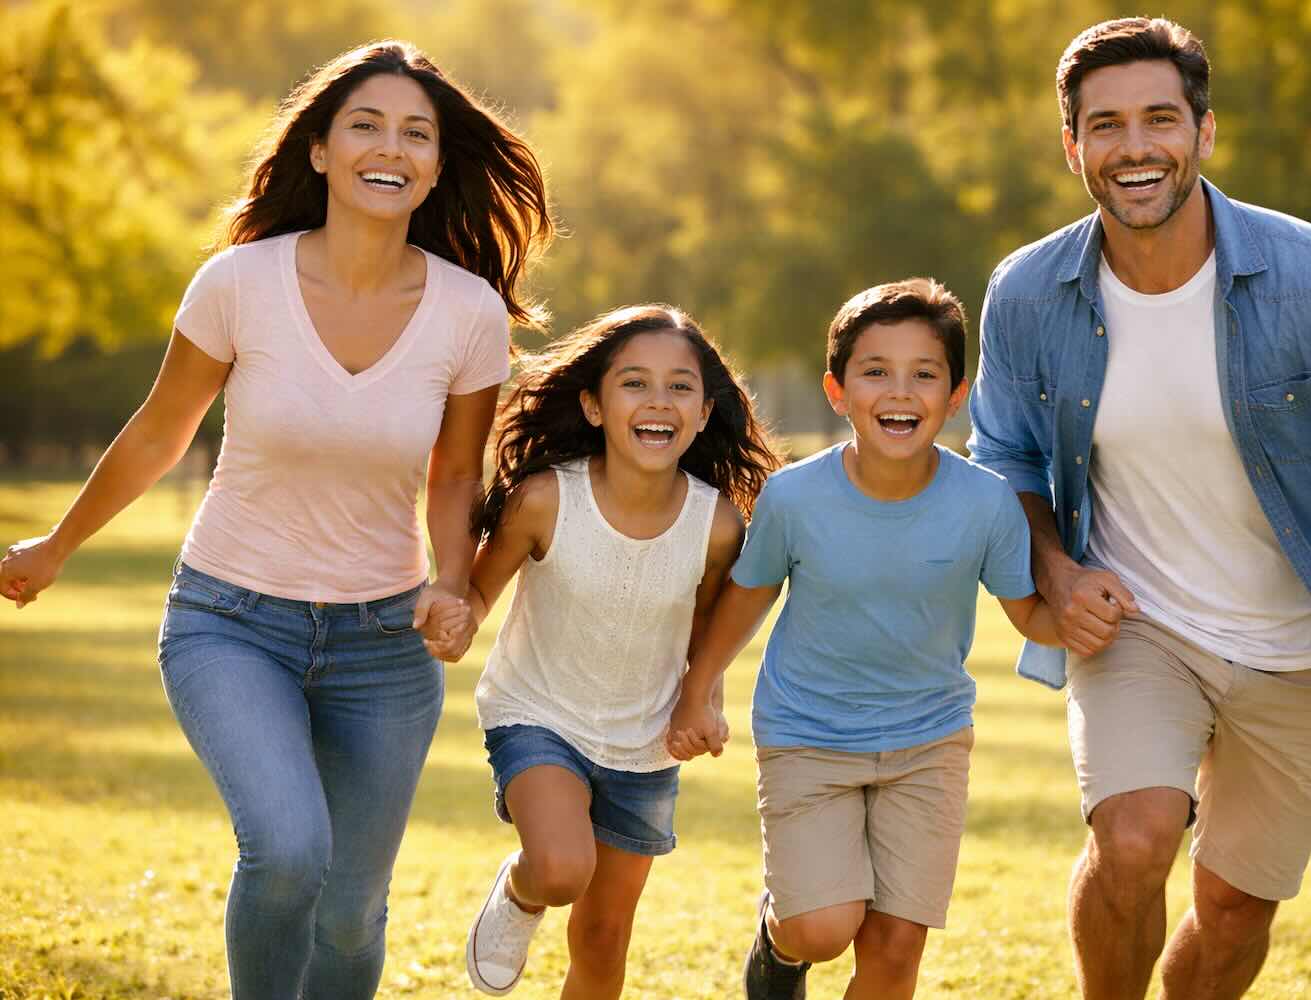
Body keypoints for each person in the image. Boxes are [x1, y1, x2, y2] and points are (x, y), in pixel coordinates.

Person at [0, 41, 552, 999]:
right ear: (321, 153)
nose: (393, 148)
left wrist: (453, 584)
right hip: (231, 619)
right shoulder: (238, 284)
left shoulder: (467, 313)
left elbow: (455, 471)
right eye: (366, 126)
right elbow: (159, 433)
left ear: (436, 162)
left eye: (416, 133)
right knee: (289, 850)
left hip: (382, 645)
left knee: (349, 912)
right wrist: (57, 546)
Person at [965, 17, 1311, 1000]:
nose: (1135, 148)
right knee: (1132, 840)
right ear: (1072, 145)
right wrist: (1057, 571)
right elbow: (1003, 458)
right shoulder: (1029, 290)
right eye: (1106, 125)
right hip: (1136, 625)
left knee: (1237, 913)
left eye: (1160, 119)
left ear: (1204, 133)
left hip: (1302, 640)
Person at [667, 278, 1062, 1000]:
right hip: (807, 736)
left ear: (955, 393)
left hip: (930, 741)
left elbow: (1031, 614)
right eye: (875, 371)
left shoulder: (987, 503)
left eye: (924, 374)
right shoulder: (793, 498)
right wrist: (698, 692)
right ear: (837, 390)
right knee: (822, 927)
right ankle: (781, 945)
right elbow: (747, 598)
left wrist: (1091, 614)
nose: (900, 392)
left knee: (895, 945)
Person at [422, 305, 779, 998]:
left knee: (603, 938)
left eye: (680, 387)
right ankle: (522, 893)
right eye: (634, 383)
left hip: (643, 745)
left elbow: (707, 635)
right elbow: (478, 598)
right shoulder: (545, 500)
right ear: (593, 404)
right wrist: (455, 619)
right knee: (560, 868)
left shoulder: (716, 525)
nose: (658, 401)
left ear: (705, 413)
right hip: (538, 716)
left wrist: (701, 703)